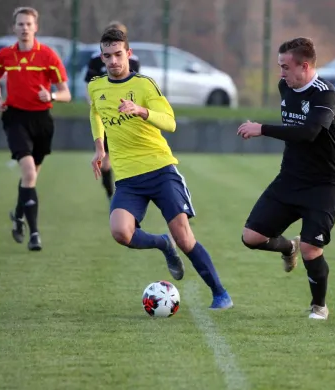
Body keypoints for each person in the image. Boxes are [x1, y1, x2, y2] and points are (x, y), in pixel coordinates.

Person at [87, 28, 232, 310]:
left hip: (160, 169)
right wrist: (99, 147)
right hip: (128, 177)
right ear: (102, 58)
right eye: (108, 56)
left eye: (118, 54)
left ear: (128, 54)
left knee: (184, 236)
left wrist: (141, 111)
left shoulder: (144, 85)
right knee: (121, 233)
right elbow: (95, 112)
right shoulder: (95, 86)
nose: (113, 61)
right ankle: (163, 244)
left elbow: (170, 122)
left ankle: (220, 293)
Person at [237, 37, 335, 320]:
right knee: (251, 237)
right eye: (279, 67)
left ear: (305, 66)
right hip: (289, 179)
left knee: (312, 248)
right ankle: (288, 246)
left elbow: (309, 132)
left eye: (285, 67)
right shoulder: (285, 86)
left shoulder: (325, 94)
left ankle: (319, 306)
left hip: (323, 184)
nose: (281, 74)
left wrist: (262, 128)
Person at [0, 7, 71, 251]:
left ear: (36, 27)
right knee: (29, 173)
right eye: (20, 24)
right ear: (14, 28)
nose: (24, 28)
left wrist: (52, 95)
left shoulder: (47, 55)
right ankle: (34, 233)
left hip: (42, 120)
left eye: (28, 24)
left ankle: (17, 214)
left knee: (30, 176)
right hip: (15, 118)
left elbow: (66, 93)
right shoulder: (5, 55)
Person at [84, 21, 141, 201]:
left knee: (129, 158)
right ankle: (112, 195)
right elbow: (89, 85)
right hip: (106, 116)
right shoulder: (96, 58)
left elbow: (137, 86)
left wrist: (135, 109)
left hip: (127, 117)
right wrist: (94, 105)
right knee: (106, 160)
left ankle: (129, 196)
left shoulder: (134, 60)